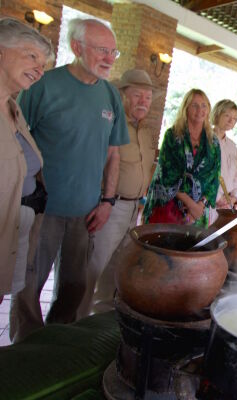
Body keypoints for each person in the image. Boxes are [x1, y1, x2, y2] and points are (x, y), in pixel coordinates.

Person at [10, 18, 129, 343]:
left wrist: (107, 202)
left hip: (87, 211)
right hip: (42, 211)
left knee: (74, 287)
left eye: (113, 52)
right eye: (102, 50)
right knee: (29, 286)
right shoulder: (43, 86)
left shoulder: (110, 95)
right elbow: (17, 141)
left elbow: (113, 154)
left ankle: (56, 345)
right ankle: (25, 349)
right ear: (77, 48)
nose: (109, 57)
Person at [76, 69, 160, 317]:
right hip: (110, 206)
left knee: (116, 268)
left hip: (134, 208)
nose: (143, 101)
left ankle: (98, 321)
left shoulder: (145, 132)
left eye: (147, 97)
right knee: (92, 266)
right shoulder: (109, 124)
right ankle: (75, 323)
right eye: (137, 96)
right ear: (122, 95)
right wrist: (104, 200)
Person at [0, 18, 53, 304]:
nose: (39, 69)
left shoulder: (13, 107)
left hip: (13, 226)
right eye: (31, 56)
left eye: (43, 63)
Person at [143, 89, 220, 227]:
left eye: (204, 105)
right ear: (186, 108)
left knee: (190, 247)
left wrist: (200, 206)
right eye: (194, 105)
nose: (200, 110)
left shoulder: (213, 142)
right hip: (168, 206)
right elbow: (166, 175)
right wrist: (191, 205)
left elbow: (214, 177)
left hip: (198, 211)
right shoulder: (172, 136)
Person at [211, 99, 237, 214]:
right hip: (208, 201)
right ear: (217, 114)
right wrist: (217, 198)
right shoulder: (206, 141)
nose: (231, 120)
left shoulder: (232, 147)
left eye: (234, 118)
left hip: (227, 204)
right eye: (227, 116)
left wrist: (234, 197)